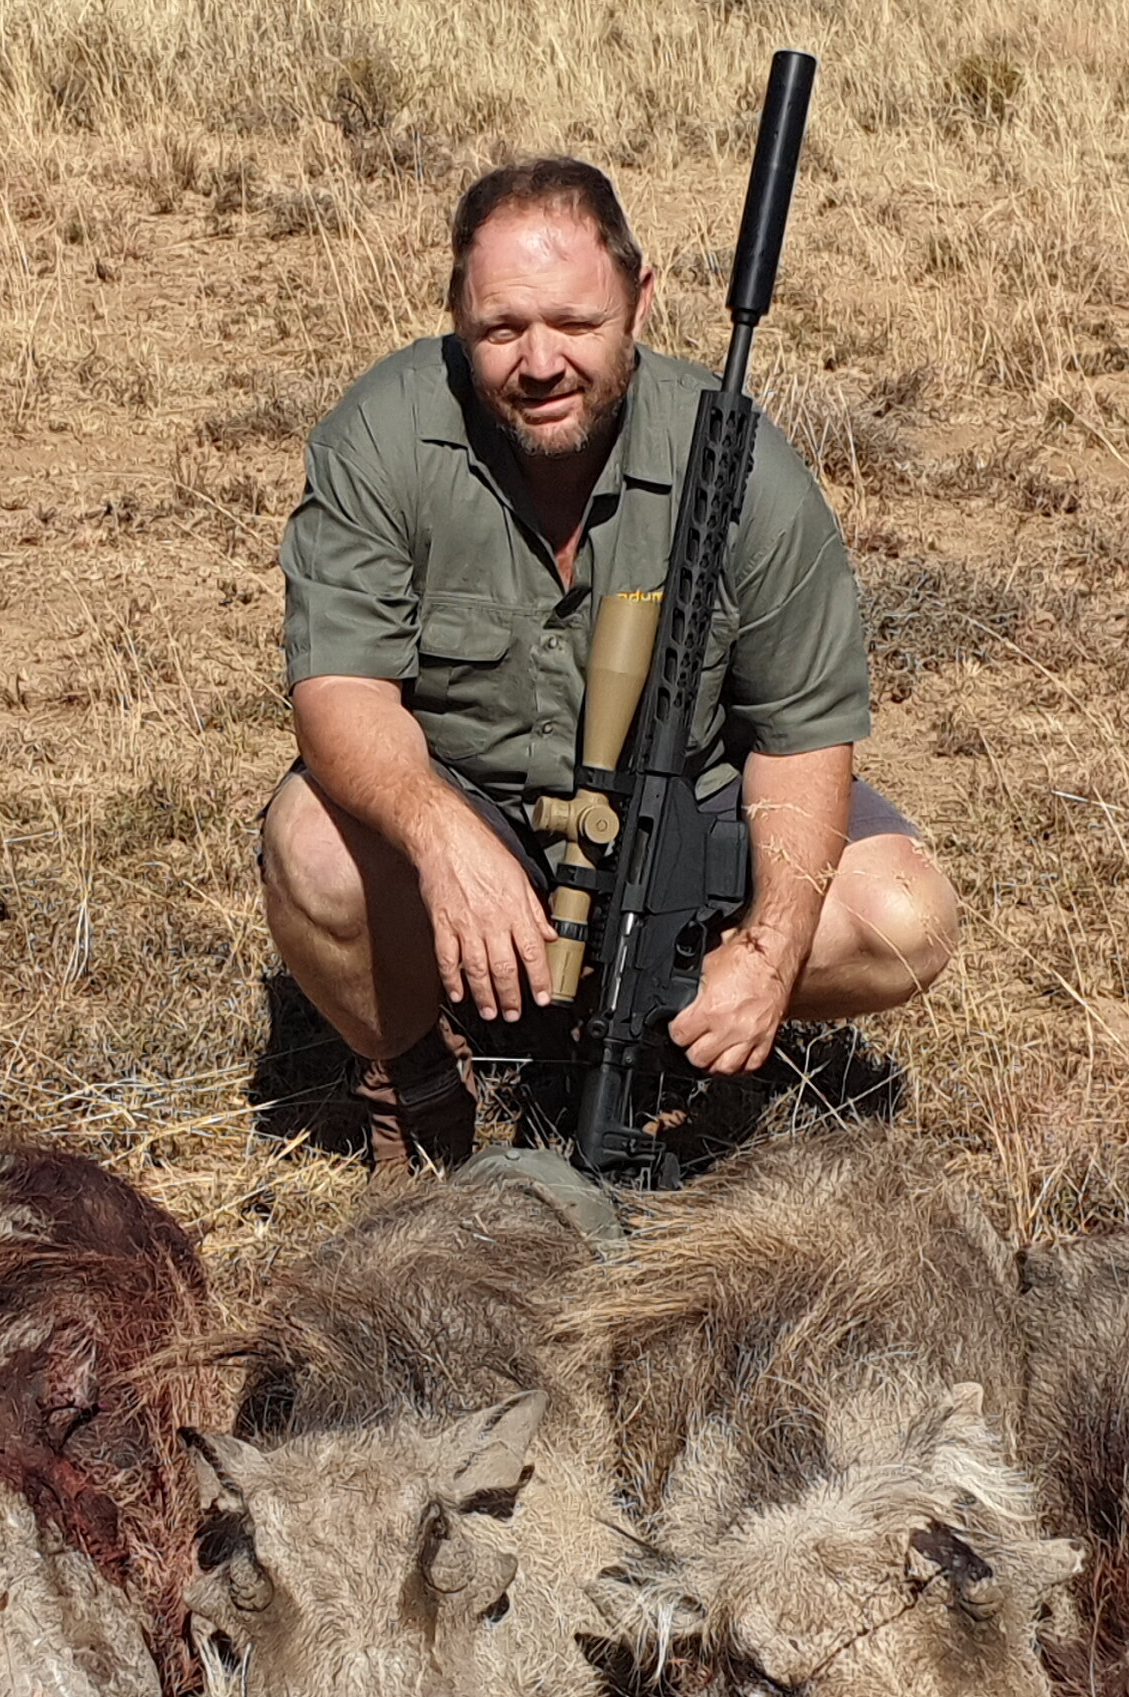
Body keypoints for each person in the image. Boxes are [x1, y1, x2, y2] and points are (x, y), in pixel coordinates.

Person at [262, 155, 960, 1172]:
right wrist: (439, 835)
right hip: (471, 805)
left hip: (684, 816)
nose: (540, 361)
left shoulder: (743, 466)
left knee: (902, 915)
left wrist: (767, 952)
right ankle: (413, 1080)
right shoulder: (380, 434)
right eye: (502, 330)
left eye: (577, 325)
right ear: (457, 315)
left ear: (641, 298)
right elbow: (337, 696)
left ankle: (677, 1026)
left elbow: (803, 736)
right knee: (311, 849)